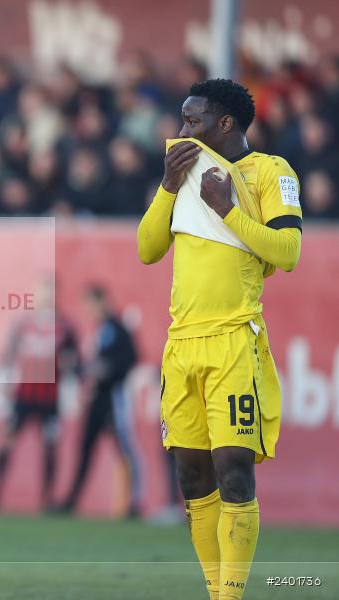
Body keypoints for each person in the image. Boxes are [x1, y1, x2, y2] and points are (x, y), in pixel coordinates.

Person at [137, 79, 302, 600]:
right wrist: (167, 185)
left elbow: (288, 252)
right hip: (181, 344)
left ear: (225, 123)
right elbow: (146, 250)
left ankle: (229, 597)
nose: (184, 130)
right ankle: (215, 591)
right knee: (192, 478)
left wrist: (227, 209)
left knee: (234, 471)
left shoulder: (270, 172)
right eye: (183, 120)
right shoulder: (184, 175)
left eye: (194, 121)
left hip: (234, 339)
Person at [0, 277, 79, 513]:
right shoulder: (22, 323)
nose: (45, 296)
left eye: (50, 292)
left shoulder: (65, 325)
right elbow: (8, 355)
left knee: (50, 445)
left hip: (50, 398)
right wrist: (2, 388)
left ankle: (47, 500)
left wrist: (70, 383)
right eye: (42, 291)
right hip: (23, 395)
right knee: (6, 442)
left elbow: (74, 360)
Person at [55, 285, 142, 517]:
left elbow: (128, 358)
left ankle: (134, 502)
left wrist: (105, 370)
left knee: (125, 449)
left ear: (102, 301)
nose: (89, 311)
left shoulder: (117, 327)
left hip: (113, 397)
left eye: (91, 305)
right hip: (98, 399)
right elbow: (95, 365)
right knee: (85, 448)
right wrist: (80, 369)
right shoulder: (103, 329)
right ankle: (71, 500)